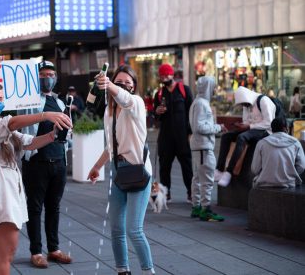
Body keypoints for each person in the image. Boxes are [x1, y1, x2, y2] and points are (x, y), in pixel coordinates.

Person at [0, 79, 72, 275]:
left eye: (2, 99)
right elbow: (12, 123)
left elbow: (29, 142)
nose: (1, 103)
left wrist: (53, 135)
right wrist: (45, 115)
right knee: (6, 254)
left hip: (3, 188)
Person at [88, 65, 155, 275]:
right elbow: (111, 145)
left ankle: (148, 271)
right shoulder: (109, 111)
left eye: (128, 83)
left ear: (134, 87)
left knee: (134, 230)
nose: (123, 85)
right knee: (116, 229)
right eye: (119, 81)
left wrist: (110, 85)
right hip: (118, 173)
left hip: (138, 171)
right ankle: (122, 271)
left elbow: (125, 99)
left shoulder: (135, 103)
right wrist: (97, 166)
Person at [18, 60, 73, 268]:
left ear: (56, 77)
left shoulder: (60, 103)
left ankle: (53, 249)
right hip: (36, 162)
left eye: (50, 74)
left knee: (54, 207)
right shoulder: (27, 102)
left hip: (58, 162)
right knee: (34, 208)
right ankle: (36, 251)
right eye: (42, 75)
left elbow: (67, 130)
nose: (47, 78)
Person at [215, 86, 276, 187]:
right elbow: (247, 120)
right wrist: (242, 125)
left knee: (242, 138)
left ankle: (229, 172)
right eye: (242, 104)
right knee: (226, 136)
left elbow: (269, 123)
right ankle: (220, 169)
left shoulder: (263, 101)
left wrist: (249, 125)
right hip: (252, 129)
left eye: (245, 104)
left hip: (265, 131)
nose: (244, 106)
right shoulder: (246, 104)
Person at [153, 63, 194, 202]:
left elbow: (192, 112)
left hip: (182, 137)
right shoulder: (159, 94)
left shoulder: (184, 90)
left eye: (167, 75)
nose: (164, 78)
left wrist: (190, 133)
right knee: (164, 166)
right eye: (162, 76)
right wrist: (157, 112)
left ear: (172, 75)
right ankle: (166, 193)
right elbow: (155, 115)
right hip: (165, 137)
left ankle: (191, 192)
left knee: (187, 166)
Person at [189, 76, 227, 222]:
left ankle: (196, 207)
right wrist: (218, 127)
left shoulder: (196, 103)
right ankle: (206, 209)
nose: (214, 89)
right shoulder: (202, 104)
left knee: (198, 178)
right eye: (213, 86)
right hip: (203, 146)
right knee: (207, 179)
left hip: (198, 146)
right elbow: (200, 127)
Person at [251, 117, 305, 188]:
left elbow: (255, 169)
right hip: (289, 184)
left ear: (272, 129)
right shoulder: (295, 143)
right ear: (286, 128)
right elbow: (301, 166)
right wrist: (291, 173)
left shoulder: (261, 143)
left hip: (264, 184)